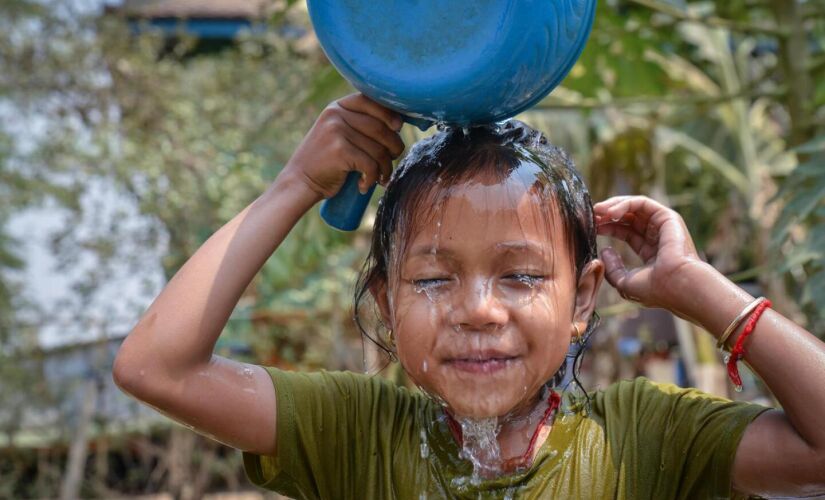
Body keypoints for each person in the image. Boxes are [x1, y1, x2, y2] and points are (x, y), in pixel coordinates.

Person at [113, 94, 825, 499]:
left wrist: (698, 289)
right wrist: (294, 185)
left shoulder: (643, 439)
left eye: (519, 275)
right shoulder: (357, 434)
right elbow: (157, 369)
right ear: (387, 303)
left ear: (581, 300)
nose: (478, 310)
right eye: (430, 279)